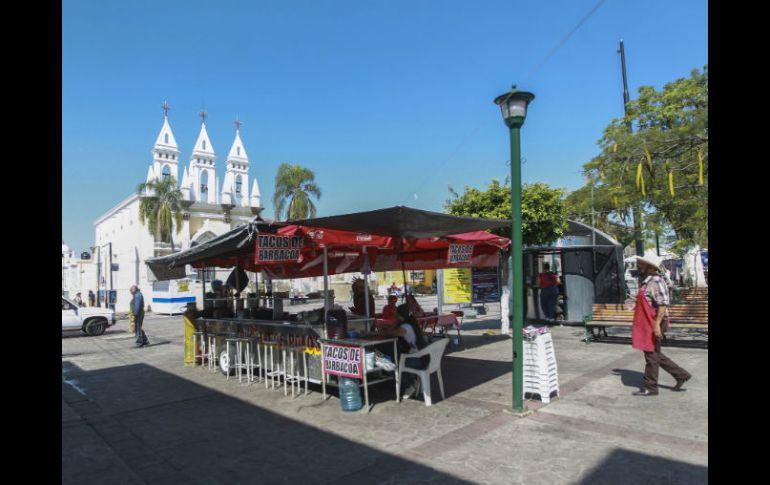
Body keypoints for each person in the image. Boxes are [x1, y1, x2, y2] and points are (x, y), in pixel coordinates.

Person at [631, 253, 692, 396]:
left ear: (650, 267)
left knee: (651, 354)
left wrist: (657, 325)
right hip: (651, 321)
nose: (639, 265)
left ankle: (651, 387)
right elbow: (652, 301)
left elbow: (663, 305)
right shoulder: (649, 280)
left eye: (641, 263)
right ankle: (681, 375)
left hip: (655, 321)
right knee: (655, 353)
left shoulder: (655, 281)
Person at [380, 304, 429, 399]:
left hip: (416, 360)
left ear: (399, 316)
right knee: (394, 359)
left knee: (387, 364)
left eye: (396, 315)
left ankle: (408, 385)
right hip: (422, 357)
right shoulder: (412, 324)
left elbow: (388, 333)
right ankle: (412, 381)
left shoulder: (404, 327)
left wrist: (394, 323)